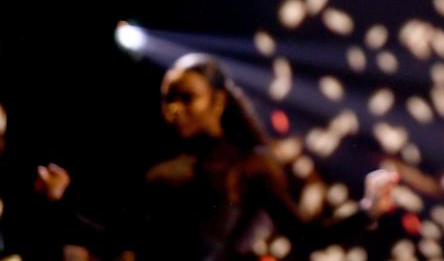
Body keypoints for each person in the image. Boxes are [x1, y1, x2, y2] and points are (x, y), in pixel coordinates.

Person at [130, 53, 398, 260]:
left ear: (218, 101)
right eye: (168, 98)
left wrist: (367, 210)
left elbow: (304, 237)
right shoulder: (159, 164)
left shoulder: (250, 165)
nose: (174, 108)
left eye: (187, 97)